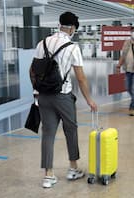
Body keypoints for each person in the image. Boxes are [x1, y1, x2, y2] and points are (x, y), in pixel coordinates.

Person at [30, 11, 97, 188]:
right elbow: (81, 78)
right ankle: (73, 168)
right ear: (73, 28)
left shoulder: (42, 43)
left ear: (60, 25)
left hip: (44, 96)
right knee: (71, 130)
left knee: (48, 134)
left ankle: (48, 176)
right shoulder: (73, 47)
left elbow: (32, 71)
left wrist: (37, 90)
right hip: (63, 97)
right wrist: (89, 100)